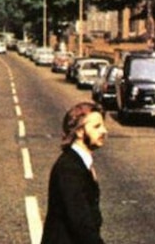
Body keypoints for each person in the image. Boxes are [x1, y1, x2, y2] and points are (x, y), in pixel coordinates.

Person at [41, 101, 108, 244]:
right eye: (96, 126)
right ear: (79, 131)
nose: (104, 131)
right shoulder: (69, 169)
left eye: (102, 125)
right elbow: (80, 224)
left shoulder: (79, 163)